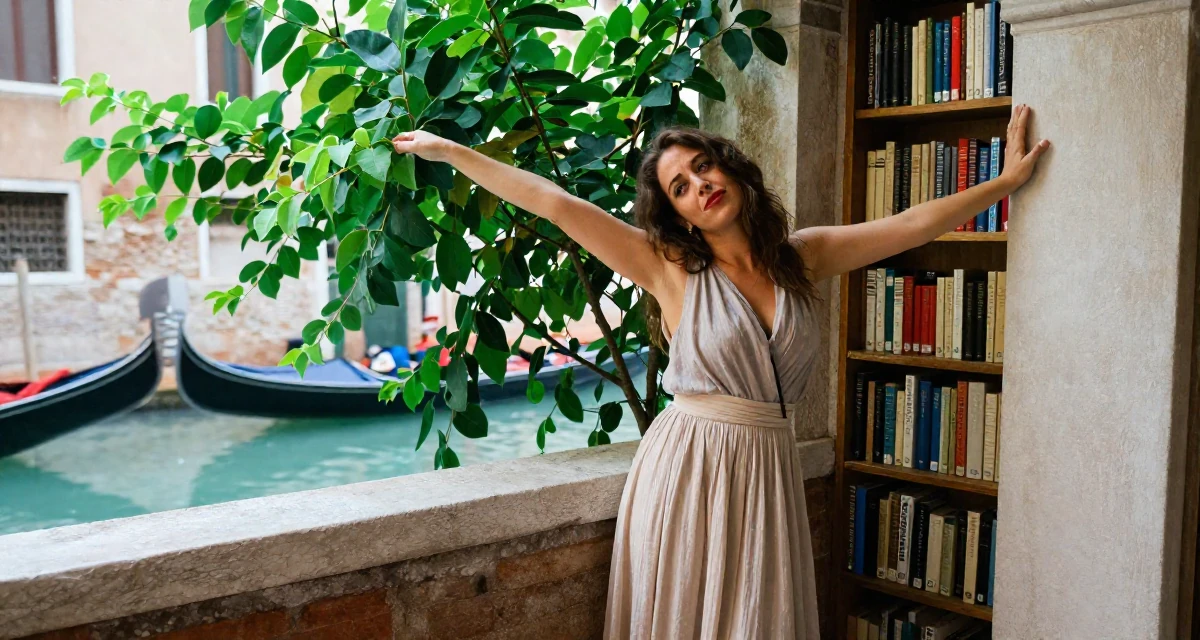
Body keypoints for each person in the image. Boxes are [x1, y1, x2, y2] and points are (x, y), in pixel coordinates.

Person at [393, 104, 1049, 639]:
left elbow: (909, 226)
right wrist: (451, 152)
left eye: (702, 167)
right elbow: (555, 203)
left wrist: (1003, 184)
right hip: (690, 470)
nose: (699, 185)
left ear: (729, 168)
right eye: (680, 187)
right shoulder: (668, 269)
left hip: (767, 467)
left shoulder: (802, 257)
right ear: (676, 213)